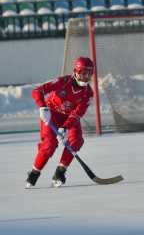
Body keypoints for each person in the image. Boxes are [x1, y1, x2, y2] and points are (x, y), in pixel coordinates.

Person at [26, 56, 94, 188]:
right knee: (50, 145)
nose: (86, 77)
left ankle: (60, 172)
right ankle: (34, 173)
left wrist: (65, 127)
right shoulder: (63, 81)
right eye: (83, 73)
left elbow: (77, 114)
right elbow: (37, 91)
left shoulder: (88, 93)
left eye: (89, 74)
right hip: (51, 115)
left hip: (69, 119)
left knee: (77, 140)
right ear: (76, 72)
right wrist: (42, 107)